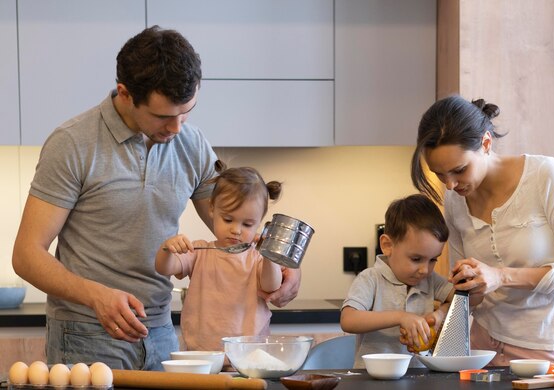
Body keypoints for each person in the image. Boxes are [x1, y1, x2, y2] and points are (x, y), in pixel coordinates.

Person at [11, 25, 300, 371]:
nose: (177, 128)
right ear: (125, 93)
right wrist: (96, 296)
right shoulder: (73, 144)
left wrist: (284, 268)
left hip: (161, 332)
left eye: (186, 111)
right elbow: (26, 256)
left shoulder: (190, 143)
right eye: (164, 116)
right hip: (87, 333)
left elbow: (234, 234)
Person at [409, 95, 554, 366]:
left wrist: (501, 276)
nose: (450, 185)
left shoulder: (546, 176)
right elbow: (468, 288)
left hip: (546, 348)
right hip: (482, 348)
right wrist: (440, 316)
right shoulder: (454, 200)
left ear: (486, 143)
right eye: (440, 174)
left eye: (459, 170)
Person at [156, 164, 283, 353]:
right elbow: (164, 268)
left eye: (248, 224)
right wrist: (167, 249)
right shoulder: (199, 251)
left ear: (259, 222)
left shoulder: (258, 257)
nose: (236, 230)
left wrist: (270, 255)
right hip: (202, 353)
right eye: (228, 219)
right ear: (212, 210)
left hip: (250, 354)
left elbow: (271, 286)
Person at [341, 194, 458, 369]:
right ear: (387, 245)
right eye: (416, 258)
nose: (425, 270)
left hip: (419, 377)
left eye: (433, 260)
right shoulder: (370, 278)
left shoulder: (430, 280)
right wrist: (400, 317)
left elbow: (465, 299)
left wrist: (440, 314)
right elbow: (348, 320)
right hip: (373, 378)